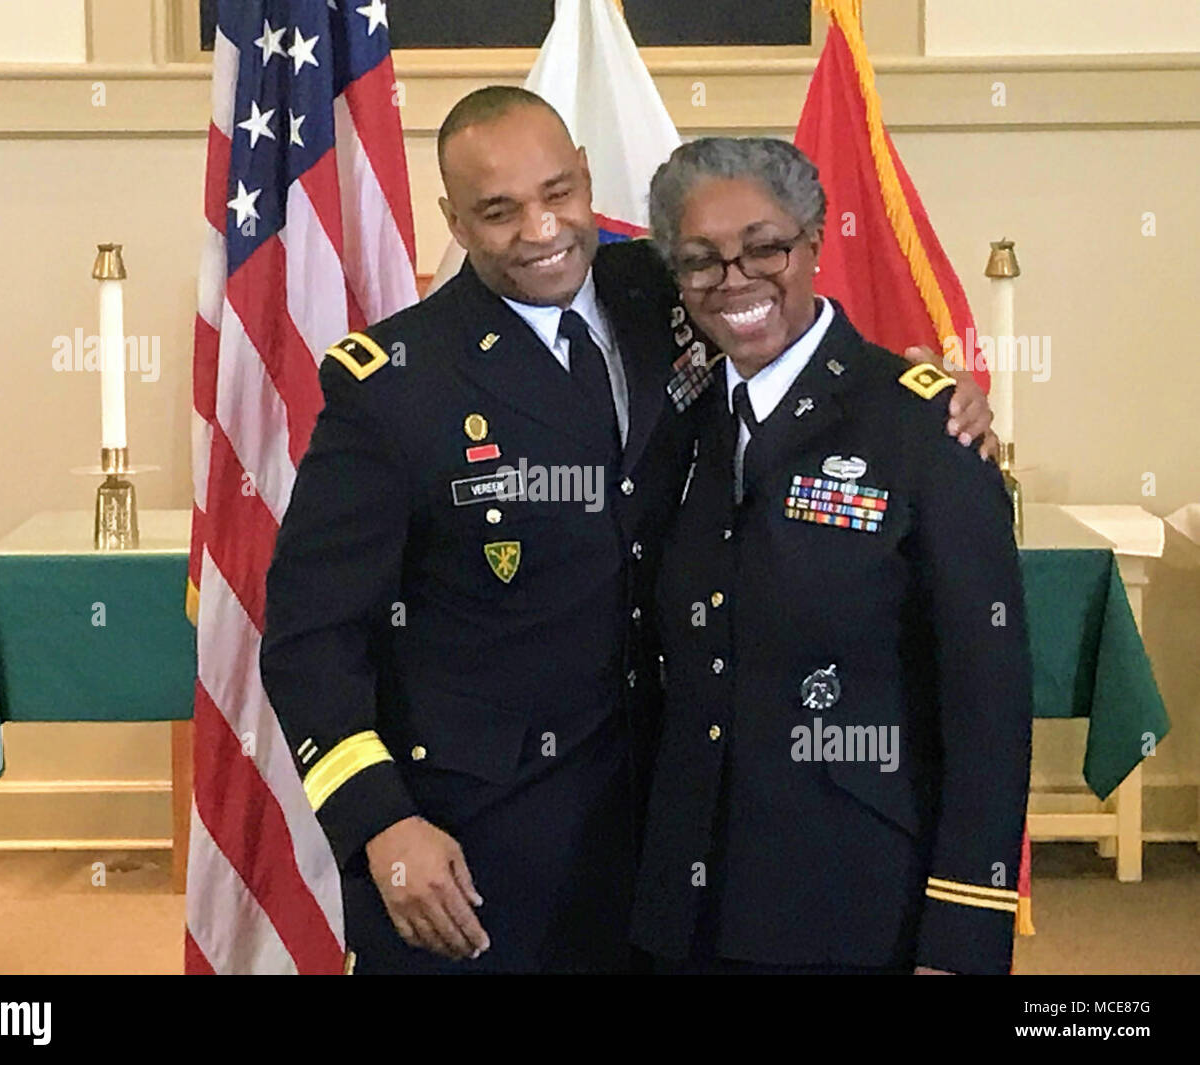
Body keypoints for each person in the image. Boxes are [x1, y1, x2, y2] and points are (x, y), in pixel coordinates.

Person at [260, 88, 997, 974]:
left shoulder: (662, 293)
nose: (542, 230)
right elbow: (309, 640)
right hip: (480, 848)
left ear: (585, 174)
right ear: (453, 219)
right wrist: (378, 820)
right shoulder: (394, 389)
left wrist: (920, 396)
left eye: (559, 191)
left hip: (667, 844)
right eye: (499, 212)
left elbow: (786, 334)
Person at [629, 137, 1032, 975]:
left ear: (813, 242)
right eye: (701, 259)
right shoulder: (674, 424)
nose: (735, 278)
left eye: (765, 247)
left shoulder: (922, 429)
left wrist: (963, 933)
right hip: (685, 907)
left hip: (853, 905)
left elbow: (987, 708)